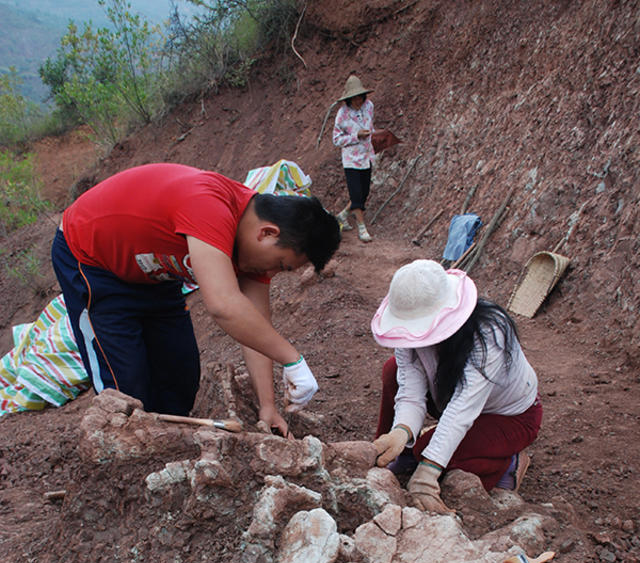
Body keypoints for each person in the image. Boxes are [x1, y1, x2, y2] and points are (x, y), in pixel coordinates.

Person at [51, 163, 340, 434]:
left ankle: (169, 454)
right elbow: (223, 305)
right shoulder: (209, 206)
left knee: (179, 378)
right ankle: (125, 464)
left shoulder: (254, 252)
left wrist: (268, 407)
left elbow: (255, 326)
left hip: (153, 273)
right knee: (126, 391)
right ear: (267, 233)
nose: (272, 273)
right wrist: (293, 360)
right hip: (93, 263)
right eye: (281, 265)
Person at [371, 259, 542, 514]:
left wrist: (429, 471)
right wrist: (401, 432)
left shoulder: (489, 337)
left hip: (509, 417)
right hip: (450, 399)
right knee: (392, 370)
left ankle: (508, 464)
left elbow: (462, 408)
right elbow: (410, 391)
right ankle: (396, 454)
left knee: (427, 453)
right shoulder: (408, 335)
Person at [332, 74, 375, 243]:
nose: (358, 101)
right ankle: (362, 228)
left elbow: (371, 126)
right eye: (354, 98)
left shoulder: (369, 106)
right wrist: (356, 136)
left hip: (366, 156)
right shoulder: (342, 114)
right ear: (348, 99)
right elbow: (336, 140)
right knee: (356, 195)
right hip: (351, 160)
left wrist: (374, 136)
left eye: (360, 97)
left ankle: (342, 216)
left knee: (363, 193)